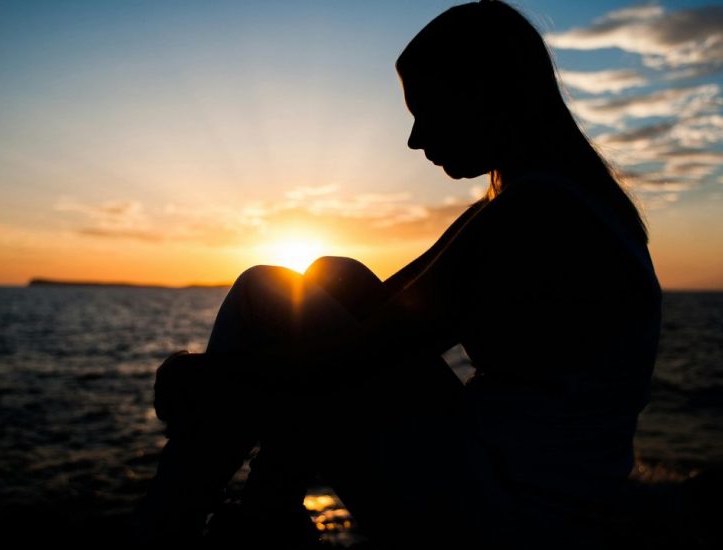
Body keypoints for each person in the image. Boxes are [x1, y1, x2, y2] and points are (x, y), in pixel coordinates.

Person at [132, 1, 663, 548]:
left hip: (513, 517)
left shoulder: (536, 216)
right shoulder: (548, 199)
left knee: (263, 293)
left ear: (483, 95)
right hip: (527, 491)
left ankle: (166, 533)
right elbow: (381, 306)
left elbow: (351, 358)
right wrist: (238, 374)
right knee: (330, 276)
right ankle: (262, 515)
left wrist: (213, 378)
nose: (414, 138)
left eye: (425, 109)